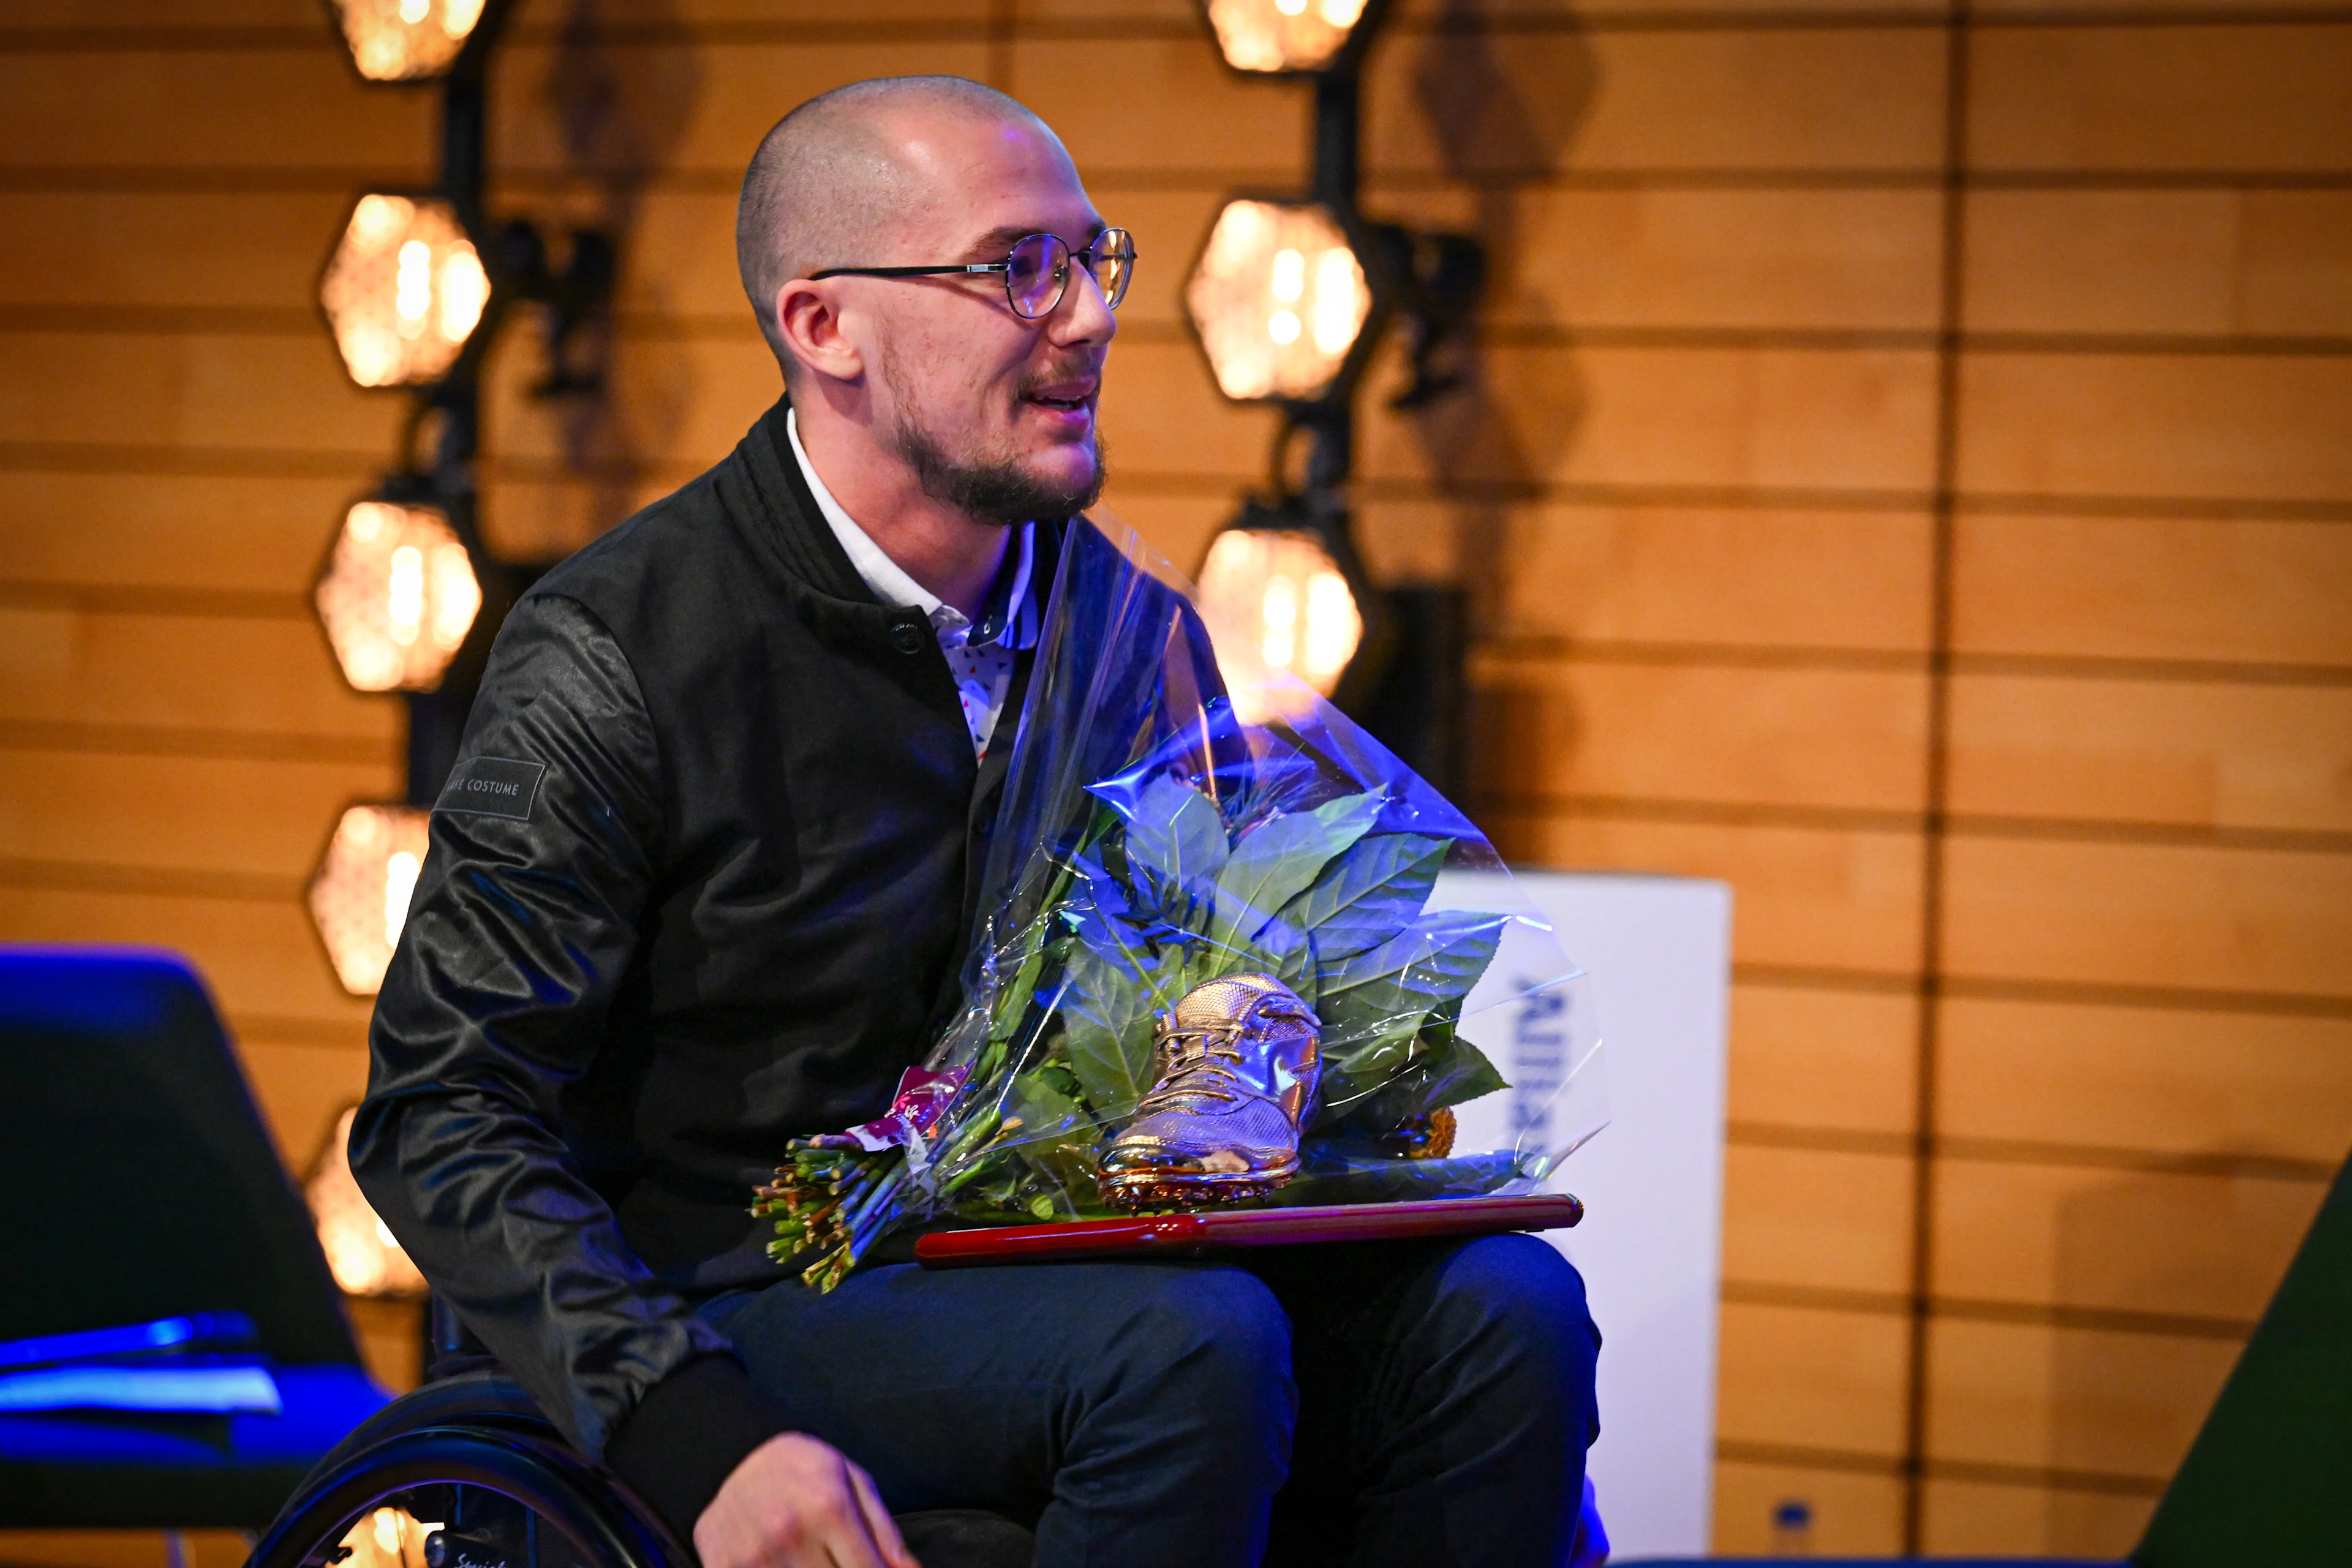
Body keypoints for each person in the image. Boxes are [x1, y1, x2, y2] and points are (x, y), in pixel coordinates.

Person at [353, 75, 1603, 1568]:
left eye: (1094, 260)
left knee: (1504, 1311)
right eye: (1019, 267)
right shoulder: (617, 649)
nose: (1082, 316)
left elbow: (1185, 1003)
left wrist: (1285, 1065)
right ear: (828, 329)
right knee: (1180, 1345)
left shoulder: (1131, 628)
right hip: (736, 1298)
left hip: (1049, 1267)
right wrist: (697, 1433)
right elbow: (441, 1116)